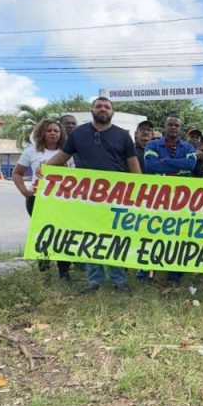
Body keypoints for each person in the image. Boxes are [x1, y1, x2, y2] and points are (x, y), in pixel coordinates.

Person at [46, 97, 141, 294]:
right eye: (99, 106)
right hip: (86, 196)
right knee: (90, 237)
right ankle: (94, 280)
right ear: (92, 110)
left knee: (115, 237)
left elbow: (132, 163)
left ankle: (119, 281)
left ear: (112, 112)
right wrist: (45, 169)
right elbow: (63, 156)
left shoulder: (123, 135)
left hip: (117, 196)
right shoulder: (79, 134)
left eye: (107, 107)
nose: (103, 109)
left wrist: (140, 188)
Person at [140, 114, 198, 283]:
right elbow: (150, 165)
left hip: (181, 198)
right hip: (157, 196)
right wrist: (177, 167)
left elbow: (191, 165)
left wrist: (164, 162)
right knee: (151, 233)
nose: (173, 127)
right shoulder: (152, 144)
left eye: (176, 125)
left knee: (177, 234)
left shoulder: (188, 147)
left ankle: (175, 273)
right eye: (170, 125)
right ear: (165, 127)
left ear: (180, 128)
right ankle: (145, 272)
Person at [13, 119, 71, 280]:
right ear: (42, 133)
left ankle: (64, 271)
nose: (53, 133)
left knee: (63, 235)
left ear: (61, 134)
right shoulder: (31, 152)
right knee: (44, 235)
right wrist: (25, 191)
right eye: (49, 130)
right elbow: (17, 173)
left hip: (63, 201)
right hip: (38, 199)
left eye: (56, 131)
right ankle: (45, 273)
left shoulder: (68, 152)